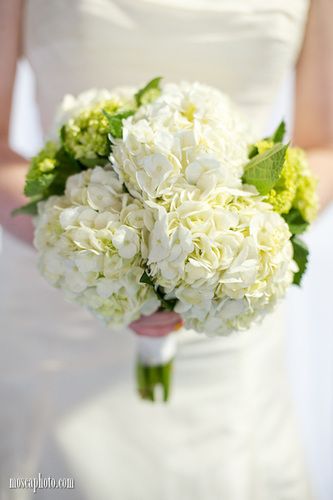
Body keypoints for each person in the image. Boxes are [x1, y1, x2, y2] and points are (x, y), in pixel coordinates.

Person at [0, 1, 332, 498]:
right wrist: (104, 251)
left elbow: (322, 144)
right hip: (68, 301)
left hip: (223, 314)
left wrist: (233, 244)